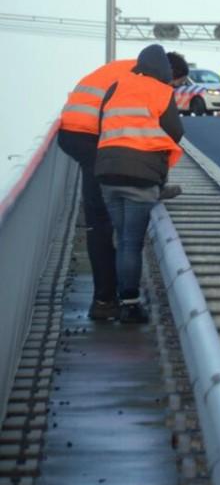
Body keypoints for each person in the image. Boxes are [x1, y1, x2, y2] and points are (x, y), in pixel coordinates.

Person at [58, 49, 188, 320]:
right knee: (102, 224)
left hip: (74, 131)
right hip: (90, 136)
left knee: (107, 219)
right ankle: (106, 301)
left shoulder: (130, 69)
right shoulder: (144, 81)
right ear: (168, 73)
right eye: (175, 86)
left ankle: (111, 297)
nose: (173, 92)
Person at [94, 44, 186, 324]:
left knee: (122, 240)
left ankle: (122, 298)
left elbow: (102, 123)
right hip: (141, 177)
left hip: (107, 173)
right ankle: (130, 304)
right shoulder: (161, 90)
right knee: (131, 242)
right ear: (164, 69)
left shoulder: (117, 86)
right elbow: (175, 131)